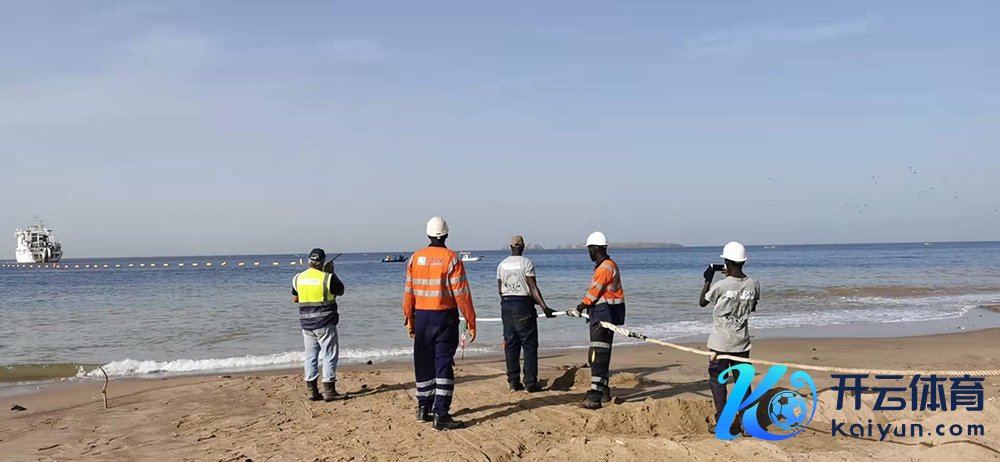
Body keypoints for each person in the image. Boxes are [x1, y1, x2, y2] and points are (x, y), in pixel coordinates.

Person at [402, 217, 477, 430]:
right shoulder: (451, 259)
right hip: (444, 318)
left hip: (422, 317)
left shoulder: (415, 258)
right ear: (446, 234)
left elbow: (408, 292)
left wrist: (409, 318)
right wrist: (471, 320)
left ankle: (423, 407)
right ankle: (441, 413)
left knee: (423, 362)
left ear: (427, 234)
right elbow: (461, 294)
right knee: (443, 362)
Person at [699, 241, 760, 435]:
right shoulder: (753, 283)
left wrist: (707, 280)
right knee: (743, 381)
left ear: (727, 262)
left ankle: (722, 420)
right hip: (741, 342)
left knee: (718, 380)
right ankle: (746, 423)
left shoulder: (721, 285)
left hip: (720, 343)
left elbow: (702, 302)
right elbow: (753, 305)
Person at [568, 231, 625, 410]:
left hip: (603, 315)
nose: (589, 253)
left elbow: (593, 293)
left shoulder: (604, 268)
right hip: (607, 313)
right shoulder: (607, 265)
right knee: (602, 353)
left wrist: (579, 307)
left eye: (590, 249)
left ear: (595, 248)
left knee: (597, 355)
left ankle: (594, 395)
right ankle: (604, 390)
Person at [497, 235, 555, 393]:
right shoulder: (526, 263)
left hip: (507, 306)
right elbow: (533, 287)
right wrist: (545, 307)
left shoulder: (502, 265)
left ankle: (513, 381)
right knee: (529, 345)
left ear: (510, 247)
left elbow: (500, 290)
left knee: (511, 345)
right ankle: (530, 382)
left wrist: (507, 303)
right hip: (523, 306)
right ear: (522, 247)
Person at [292, 248, 345, 402]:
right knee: (329, 355)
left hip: (306, 324)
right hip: (325, 323)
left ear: (309, 261)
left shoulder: (298, 278)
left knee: (310, 356)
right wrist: (332, 273)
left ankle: (312, 391)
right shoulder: (327, 278)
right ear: (322, 262)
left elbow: (295, 299)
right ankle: (329, 390)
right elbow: (340, 291)